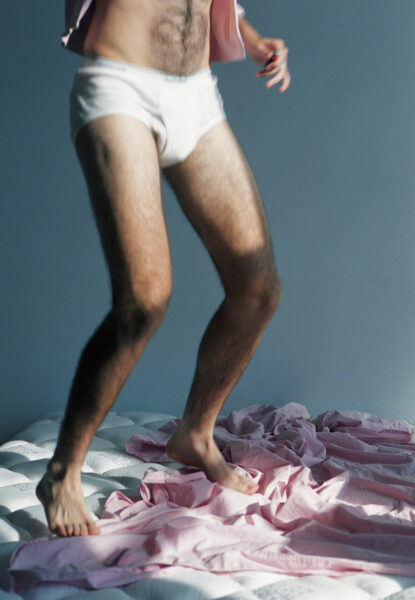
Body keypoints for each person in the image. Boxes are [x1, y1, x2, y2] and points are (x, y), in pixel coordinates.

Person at [36, 0, 291, 538]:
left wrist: (251, 37)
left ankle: (195, 433)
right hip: (119, 87)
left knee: (258, 289)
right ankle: (62, 473)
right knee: (143, 301)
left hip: (196, 95)